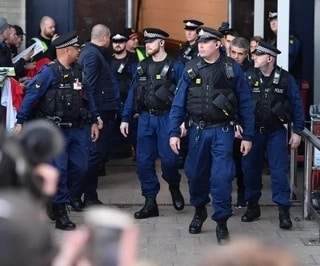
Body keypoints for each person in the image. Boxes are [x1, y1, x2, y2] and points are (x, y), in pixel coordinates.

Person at [169, 26, 254, 243]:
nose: (201, 45)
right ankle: (199, 211)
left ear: (218, 44)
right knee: (195, 174)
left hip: (222, 131)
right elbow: (178, 103)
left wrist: (248, 136)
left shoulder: (232, 69)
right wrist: (173, 132)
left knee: (222, 177)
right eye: (199, 42)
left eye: (206, 42)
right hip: (197, 131)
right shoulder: (191, 68)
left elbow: (245, 104)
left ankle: (222, 221)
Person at [14, 31, 100, 230]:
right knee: (59, 171)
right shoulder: (48, 72)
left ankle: (57, 200)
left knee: (81, 168)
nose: (79, 51)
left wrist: (95, 119)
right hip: (56, 131)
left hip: (78, 129)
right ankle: (61, 212)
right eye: (77, 48)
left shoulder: (79, 71)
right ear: (66, 50)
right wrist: (21, 121)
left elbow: (89, 98)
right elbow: (31, 97)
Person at [120, 28, 185, 219]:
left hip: (168, 119)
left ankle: (173, 186)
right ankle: (150, 202)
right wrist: (125, 117)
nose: (147, 45)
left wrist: (183, 121)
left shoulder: (176, 66)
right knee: (143, 162)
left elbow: (185, 95)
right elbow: (133, 93)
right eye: (145, 42)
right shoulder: (142, 66)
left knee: (170, 162)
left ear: (162, 43)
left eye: (151, 41)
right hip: (146, 120)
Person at [241, 42, 305, 230]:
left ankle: (284, 212)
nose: (254, 58)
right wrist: (238, 125)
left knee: (278, 173)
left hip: (275, 132)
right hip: (252, 133)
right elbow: (239, 102)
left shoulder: (285, 79)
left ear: (269, 58)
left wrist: (298, 130)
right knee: (250, 171)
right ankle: (252, 207)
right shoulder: (248, 76)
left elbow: (296, 105)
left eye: (258, 55)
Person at [79, 24, 119, 208]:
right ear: (105, 37)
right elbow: (90, 88)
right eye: (110, 39)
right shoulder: (92, 55)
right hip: (99, 114)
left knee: (96, 156)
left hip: (103, 112)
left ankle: (88, 196)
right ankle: (79, 194)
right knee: (94, 156)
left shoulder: (92, 53)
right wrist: (95, 117)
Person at [229, 36, 252, 208]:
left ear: (247, 54)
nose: (236, 57)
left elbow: (249, 102)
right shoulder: (223, 68)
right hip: (227, 121)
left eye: (240, 54)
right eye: (233, 52)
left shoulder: (251, 71)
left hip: (245, 122)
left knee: (243, 163)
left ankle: (243, 194)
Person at [111, 31, 138, 155]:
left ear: (125, 43)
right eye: (115, 42)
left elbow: (136, 85)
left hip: (129, 102)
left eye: (121, 42)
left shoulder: (133, 60)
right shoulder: (108, 61)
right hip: (112, 103)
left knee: (133, 133)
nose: (117, 44)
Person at [267, 11, 301, 78]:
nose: (273, 23)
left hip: (289, 81)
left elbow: (286, 64)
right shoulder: (272, 41)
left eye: (276, 20)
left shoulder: (292, 40)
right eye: (271, 21)